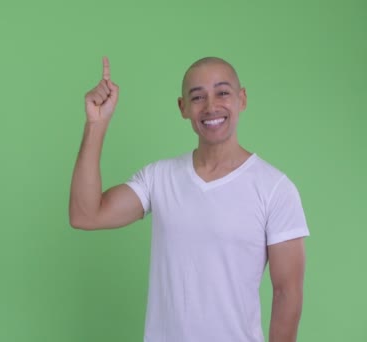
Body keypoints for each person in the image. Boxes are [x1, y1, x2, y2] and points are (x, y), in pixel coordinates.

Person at [69, 56, 309, 342]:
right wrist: (96, 124)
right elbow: (86, 215)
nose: (211, 106)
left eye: (222, 93)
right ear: (183, 107)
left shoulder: (274, 188)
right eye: (197, 97)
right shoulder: (159, 178)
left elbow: (287, 293)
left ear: (241, 99)